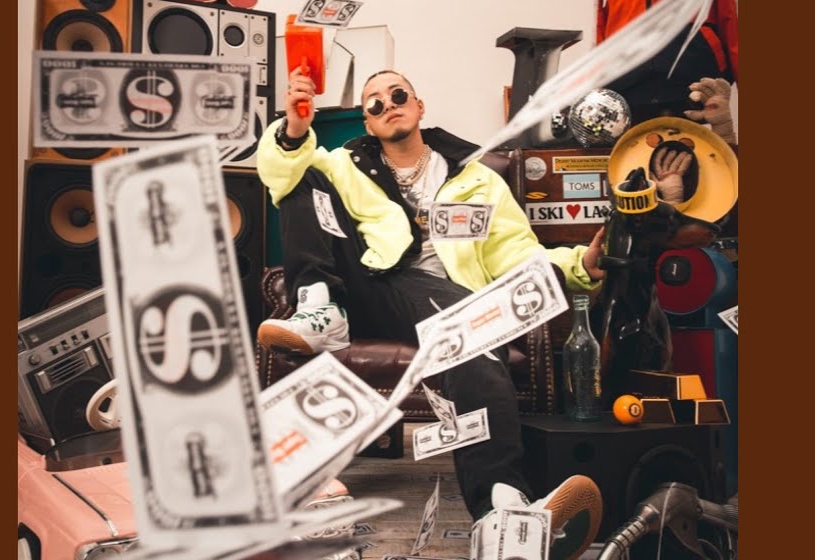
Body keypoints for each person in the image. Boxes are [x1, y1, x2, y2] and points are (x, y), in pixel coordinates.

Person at [256, 68, 609, 560]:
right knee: (301, 175)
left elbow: (516, 254)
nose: (387, 105)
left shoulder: (477, 176)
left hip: (446, 299)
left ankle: (502, 514)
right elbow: (279, 173)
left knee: (476, 349)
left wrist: (578, 265)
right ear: (367, 121)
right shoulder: (344, 164)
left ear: (419, 106)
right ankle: (320, 306)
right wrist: (294, 132)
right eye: (374, 103)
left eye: (397, 94)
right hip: (367, 284)